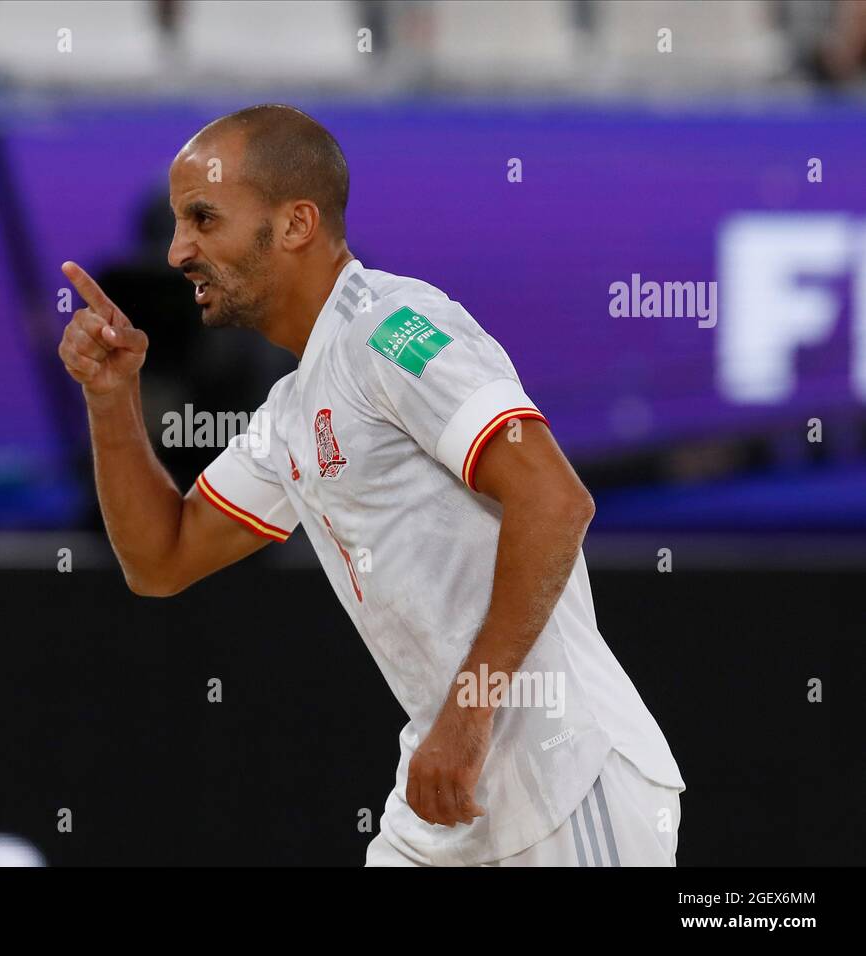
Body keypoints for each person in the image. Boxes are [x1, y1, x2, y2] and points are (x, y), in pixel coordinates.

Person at [57, 104, 684, 866]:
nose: (177, 250)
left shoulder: (391, 327)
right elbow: (161, 559)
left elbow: (555, 500)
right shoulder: (292, 406)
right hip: (447, 802)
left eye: (202, 219)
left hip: (563, 776)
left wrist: (465, 715)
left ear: (295, 224)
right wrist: (111, 398)